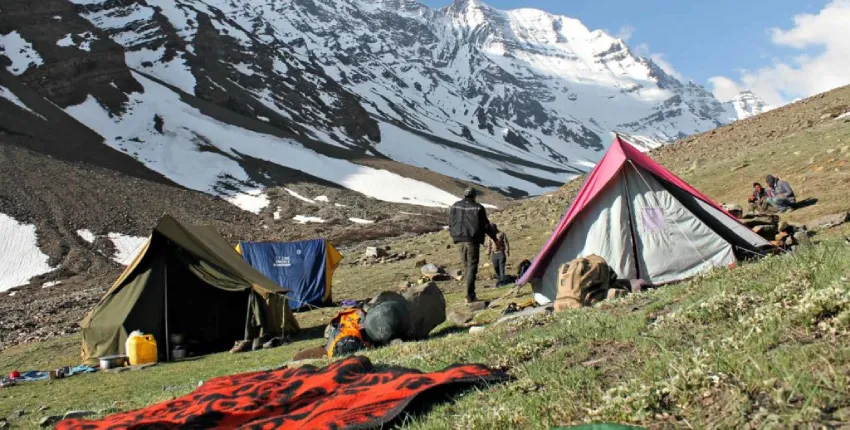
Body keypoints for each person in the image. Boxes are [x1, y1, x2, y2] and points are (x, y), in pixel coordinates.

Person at [449, 188, 497, 303]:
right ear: (474, 196)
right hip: (472, 239)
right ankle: (470, 296)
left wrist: (453, 234)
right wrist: (495, 238)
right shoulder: (478, 207)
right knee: (472, 267)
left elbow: (451, 222)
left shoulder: (455, 206)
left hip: (458, 239)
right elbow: (485, 225)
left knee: (466, 267)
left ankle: (469, 295)